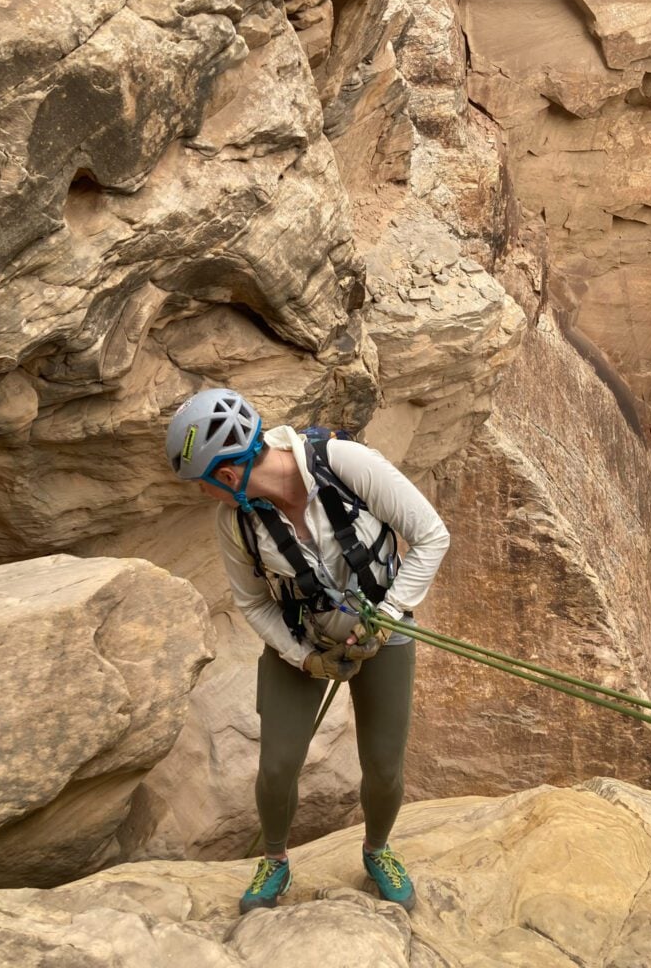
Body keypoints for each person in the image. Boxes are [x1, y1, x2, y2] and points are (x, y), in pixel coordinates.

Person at [166, 388, 450, 914]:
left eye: (204, 486)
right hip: (304, 639)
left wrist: (386, 619)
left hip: (383, 628)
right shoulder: (236, 524)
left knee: (384, 765)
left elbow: (431, 535)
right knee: (276, 766)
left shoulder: (345, 464)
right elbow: (253, 604)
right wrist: (305, 658)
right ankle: (274, 861)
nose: (207, 497)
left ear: (226, 475)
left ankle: (377, 850)